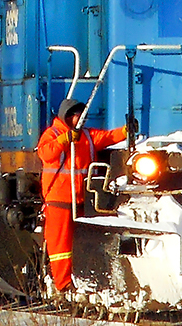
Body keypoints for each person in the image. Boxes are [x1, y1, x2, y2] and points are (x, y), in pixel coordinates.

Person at [36, 98, 128, 291]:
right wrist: (64, 140)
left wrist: (126, 131)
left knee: (83, 242)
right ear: (68, 116)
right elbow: (46, 153)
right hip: (58, 197)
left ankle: (84, 280)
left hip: (83, 199)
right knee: (59, 244)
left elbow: (108, 137)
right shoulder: (52, 134)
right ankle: (63, 284)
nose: (82, 119)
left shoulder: (88, 135)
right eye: (78, 115)